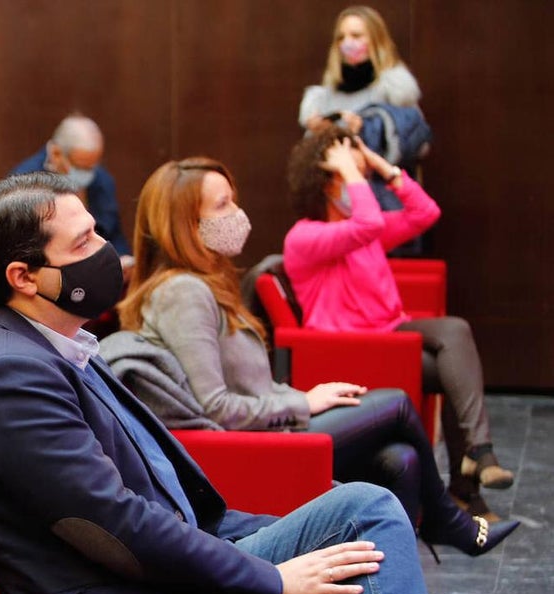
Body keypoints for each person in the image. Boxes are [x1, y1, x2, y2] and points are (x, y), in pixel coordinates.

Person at [0, 171, 535, 594]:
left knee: (367, 504)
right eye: (82, 244)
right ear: (23, 277)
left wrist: (257, 541)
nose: (108, 255)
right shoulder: (10, 377)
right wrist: (274, 579)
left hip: (179, 557)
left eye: (97, 233)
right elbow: (117, 530)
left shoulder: (56, 345)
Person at [110, 159, 518, 557]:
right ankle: (448, 522)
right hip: (255, 446)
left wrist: (301, 396)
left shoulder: (204, 284)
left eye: (234, 201)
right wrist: (303, 403)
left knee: (402, 459)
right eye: (222, 206)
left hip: (269, 429)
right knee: (395, 404)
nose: (238, 214)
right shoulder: (183, 293)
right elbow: (215, 407)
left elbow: (249, 387)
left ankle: (393, 581)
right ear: (186, 225)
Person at [284, 125, 510, 519]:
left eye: (363, 176)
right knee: (451, 367)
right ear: (323, 182)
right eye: (348, 176)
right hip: (354, 346)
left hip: (390, 332)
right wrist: (353, 170)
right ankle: (465, 484)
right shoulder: (306, 237)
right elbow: (368, 224)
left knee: (454, 331)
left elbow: (426, 213)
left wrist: (381, 166)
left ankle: (477, 454)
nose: (361, 184)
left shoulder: (362, 232)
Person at [10, 114, 130, 256]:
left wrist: (123, 258)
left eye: (93, 166)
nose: (89, 174)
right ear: (56, 154)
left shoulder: (102, 180)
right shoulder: (23, 184)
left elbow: (114, 233)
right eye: (81, 168)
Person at [298, 6, 422, 135]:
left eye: (356, 36)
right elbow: (311, 151)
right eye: (341, 37)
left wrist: (365, 131)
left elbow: (416, 140)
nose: (347, 43)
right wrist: (320, 132)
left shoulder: (396, 89)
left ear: (376, 40)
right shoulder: (324, 97)